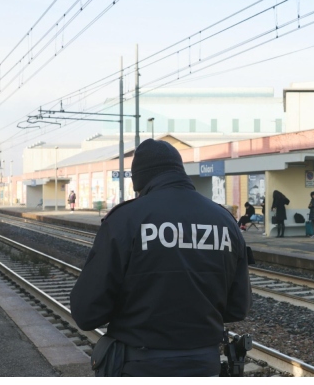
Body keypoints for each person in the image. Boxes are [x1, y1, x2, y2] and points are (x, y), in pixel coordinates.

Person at [70, 139, 252, 377]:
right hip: (204, 365)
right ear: (179, 170)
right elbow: (238, 308)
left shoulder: (125, 220)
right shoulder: (224, 221)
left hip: (138, 365)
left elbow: (87, 312)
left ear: (140, 180)